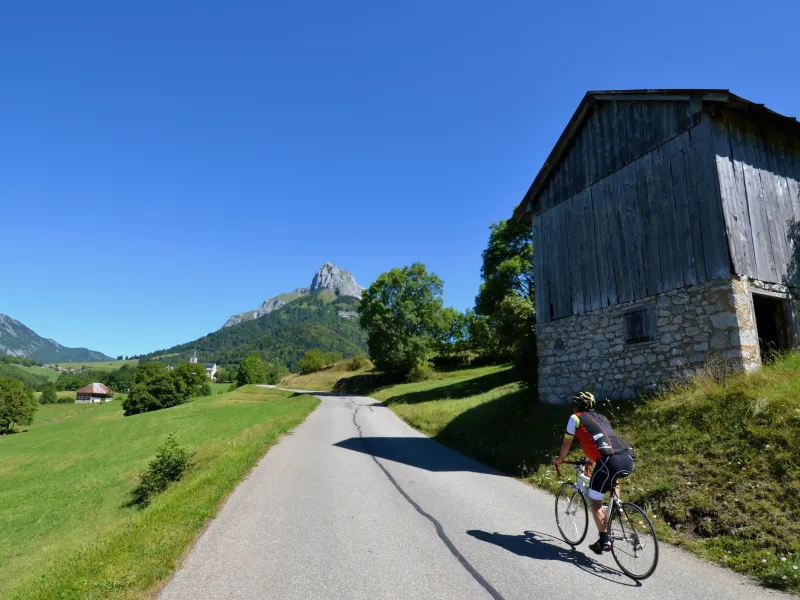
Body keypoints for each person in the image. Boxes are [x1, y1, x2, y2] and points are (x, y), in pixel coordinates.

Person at [552, 391, 635, 554]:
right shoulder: (602, 418)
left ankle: (604, 540)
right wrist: (593, 458)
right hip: (626, 457)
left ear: (576, 405)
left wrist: (560, 458)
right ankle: (617, 506)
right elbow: (603, 441)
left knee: (595, 502)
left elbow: (566, 442)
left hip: (608, 460)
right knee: (613, 480)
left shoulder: (575, 418)